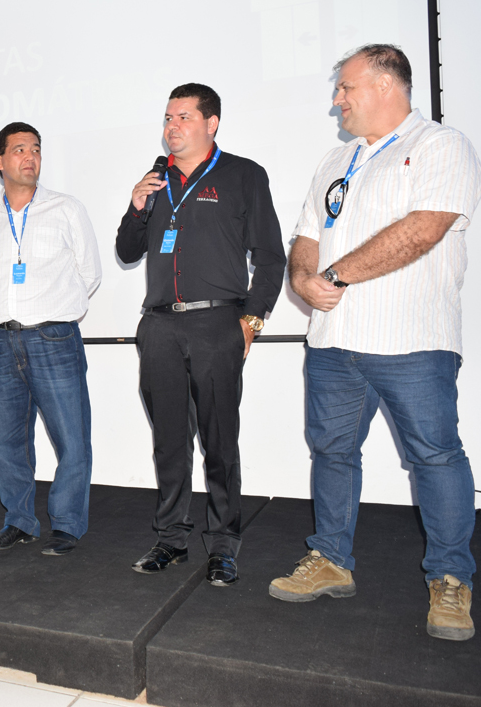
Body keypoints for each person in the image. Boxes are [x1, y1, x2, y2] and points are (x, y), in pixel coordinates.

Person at [270, 44, 480, 641]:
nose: (337, 99)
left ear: (387, 85)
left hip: (412, 338)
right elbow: (306, 235)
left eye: (346, 87)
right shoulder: (335, 159)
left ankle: (450, 580)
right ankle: (331, 559)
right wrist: (303, 279)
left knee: (434, 456)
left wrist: (335, 276)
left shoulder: (441, 145)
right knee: (332, 452)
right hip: (333, 341)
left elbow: (424, 229)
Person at [115, 83, 285, 586]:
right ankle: (171, 539)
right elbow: (127, 251)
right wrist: (136, 206)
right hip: (159, 325)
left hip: (217, 324)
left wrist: (252, 321)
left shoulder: (243, 175)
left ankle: (224, 546)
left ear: (211, 123)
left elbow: (270, 258)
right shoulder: (156, 182)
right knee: (169, 442)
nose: (172, 127)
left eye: (184, 117)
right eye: (168, 118)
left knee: (219, 441)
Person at [0, 122, 101, 556]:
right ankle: (19, 521)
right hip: (0, 341)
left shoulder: (66, 208)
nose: (30, 157)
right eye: (20, 149)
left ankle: (67, 524)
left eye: (36, 149)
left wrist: (52, 310)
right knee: (8, 441)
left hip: (53, 337)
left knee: (71, 438)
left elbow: (90, 274)